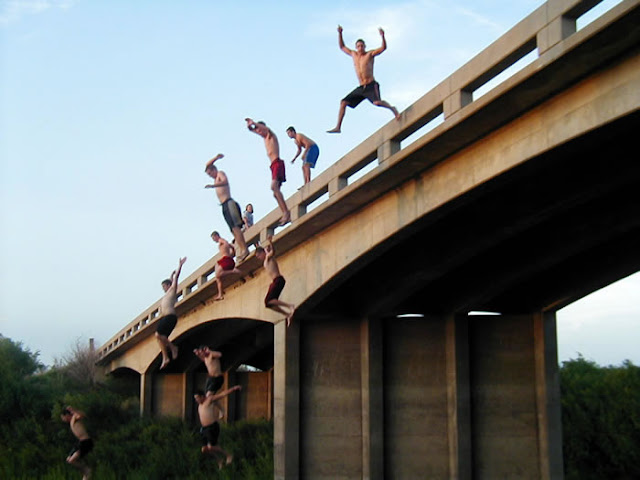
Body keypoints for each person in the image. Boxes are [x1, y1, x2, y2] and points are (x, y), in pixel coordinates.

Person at [327, 25, 400, 134]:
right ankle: (338, 127)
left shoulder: (370, 54)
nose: (360, 48)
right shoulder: (353, 54)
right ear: (356, 47)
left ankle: (392, 108)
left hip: (371, 85)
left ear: (365, 46)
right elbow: (342, 47)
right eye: (358, 46)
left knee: (377, 102)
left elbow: (383, 48)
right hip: (361, 88)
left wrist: (383, 36)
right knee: (343, 102)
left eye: (362, 46)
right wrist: (340, 33)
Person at [245, 118, 291, 225]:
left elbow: (266, 129)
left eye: (260, 130)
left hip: (277, 164)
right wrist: (251, 128)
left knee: (273, 187)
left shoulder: (271, 136)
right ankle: (285, 213)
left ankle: (286, 213)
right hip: (273, 166)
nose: (259, 132)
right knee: (275, 193)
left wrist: (254, 123)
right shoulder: (264, 139)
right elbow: (256, 131)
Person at [205, 154, 249, 262]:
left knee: (236, 228)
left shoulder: (220, 174)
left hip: (229, 202)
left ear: (214, 170)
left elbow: (225, 182)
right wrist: (215, 158)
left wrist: (213, 186)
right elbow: (207, 165)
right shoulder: (215, 178)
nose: (210, 176)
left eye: (210, 173)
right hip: (224, 205)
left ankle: (244, 249)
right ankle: (242, 249)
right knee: (233, 230)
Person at [194, 384, 242, 469]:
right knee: (204, 449)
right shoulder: (200, 405)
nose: (196, 400)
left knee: (211, 447)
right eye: (195, 398)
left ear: (202, 396)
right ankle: (219, 460)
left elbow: (222, 394)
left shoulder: (209, 400)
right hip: (204, 429)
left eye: (197, 398)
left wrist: (234, 388)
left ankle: (228, 455)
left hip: (212, 427)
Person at [255, 235, 295, 326]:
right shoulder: (266, 258)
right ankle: (287, 314)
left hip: (278, 280)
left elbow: (272, 252)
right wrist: (258, 246)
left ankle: (290, 306)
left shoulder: (268, 257)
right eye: (257, 257)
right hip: (275, 282)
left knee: (268, 301)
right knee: (268, 304)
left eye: (259, 256)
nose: (259, 258)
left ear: (262, 253)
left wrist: (270, 242)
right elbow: (264, 250)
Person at [156, 256, 187, 370]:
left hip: (170, 317)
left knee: (159, 335)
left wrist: (180, 266)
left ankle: (173, 348)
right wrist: (171, 275)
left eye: (164, 286)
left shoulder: (172, 290)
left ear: (169, 285)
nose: (163, 288)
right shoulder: (167, 294)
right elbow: (171, 279)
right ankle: (166, 357)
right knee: (159, 337)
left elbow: (176, 279)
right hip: (166, 318)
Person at [61, 406, 93, 480]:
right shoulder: (71, 421)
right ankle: (85, 472)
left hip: (86, 442)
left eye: (63, 417)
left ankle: (87, 470)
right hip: (80, 443)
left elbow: (82, 415)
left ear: (67, 415)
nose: (63, 419)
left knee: (72, 460)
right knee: (69, 460)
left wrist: (73, 410)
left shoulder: (74, 417)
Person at [211, 231, 244, 301]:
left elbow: (225, 242)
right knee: (218, 278)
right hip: (227, 259)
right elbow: (232, 247)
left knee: (217, 274)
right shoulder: (222, 243)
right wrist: (232, 254)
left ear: (216, 236)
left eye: (214, 238)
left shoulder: (221, 240)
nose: (214, 241)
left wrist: (228, 252)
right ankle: (220, 295)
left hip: (226, 260)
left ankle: (233, 271)